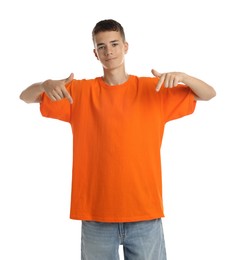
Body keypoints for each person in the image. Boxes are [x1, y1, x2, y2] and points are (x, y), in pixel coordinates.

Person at [20, 19, 216, 260]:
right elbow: (26, 97)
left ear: (125, 47)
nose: (108, 51)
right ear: (95, 53)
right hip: (96, 215)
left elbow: (208, 94)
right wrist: (44, 84)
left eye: (114, 44)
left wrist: (184, 76)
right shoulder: (79, 93)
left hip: (145, 213)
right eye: (101, 46)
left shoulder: (152, 90)